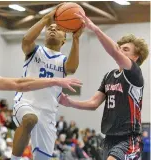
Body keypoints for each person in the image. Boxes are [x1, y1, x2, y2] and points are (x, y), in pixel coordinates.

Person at [59, 12, 149, 160]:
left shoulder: (134, 73)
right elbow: (94, 103)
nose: (120, 50)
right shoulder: (109, 76)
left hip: (128, 138)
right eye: (120, 48)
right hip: (108, 137)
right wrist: (69, 102)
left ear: (135, 57)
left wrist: (94, 28)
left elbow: (113, 51)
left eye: (125, 49)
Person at [11, 3, 84, 160]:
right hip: (26, 102)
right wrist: (45, 19)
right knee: (30, 119)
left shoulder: (63, 60)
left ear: (64, 39)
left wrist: (76, 39)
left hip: (48, 112)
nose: (52, 29)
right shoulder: (35, 50)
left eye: (57, 28)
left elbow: (71, 68)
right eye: (49, 28)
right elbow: (26, 40)